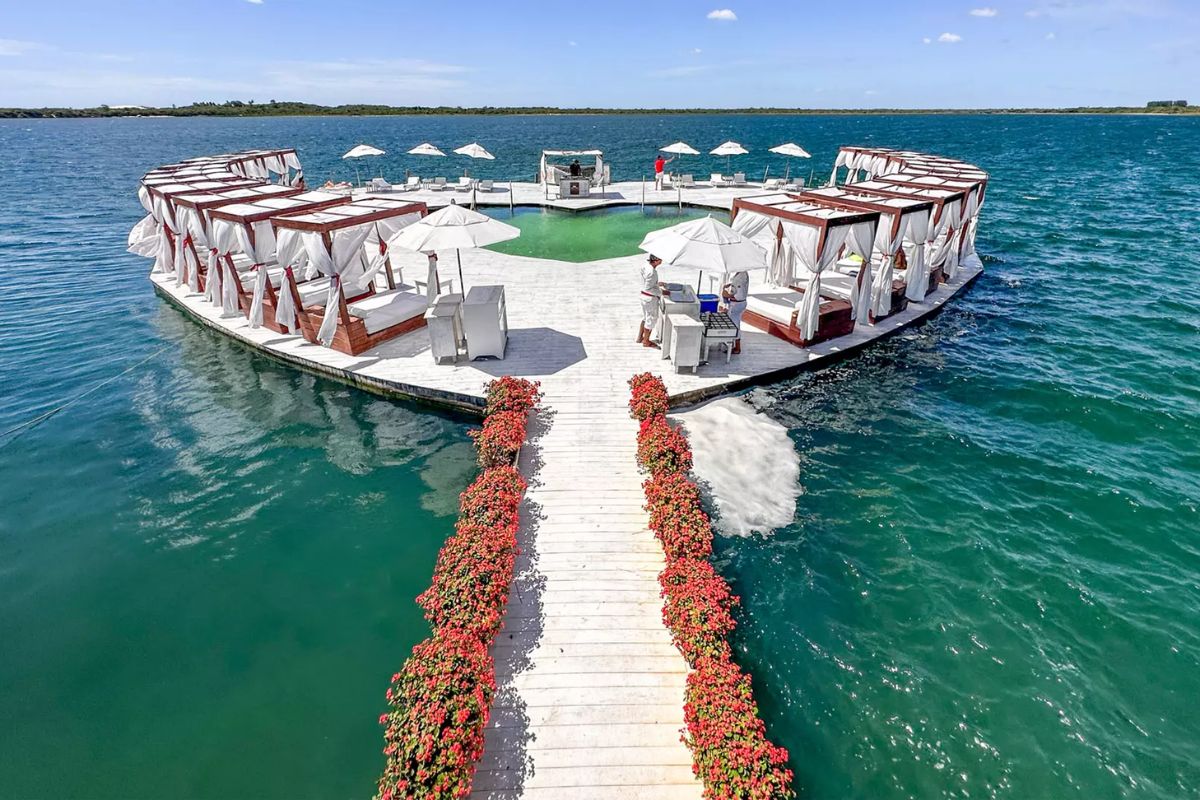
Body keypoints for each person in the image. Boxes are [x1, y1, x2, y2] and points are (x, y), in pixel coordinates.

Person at [638, 254, 666, 348]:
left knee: (645, 318)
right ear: (656, 261)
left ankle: (640, 337)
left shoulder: (645, 266)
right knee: (651, 320)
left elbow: (647, 282)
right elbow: (648, 288)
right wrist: (662, 292)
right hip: (650, 299)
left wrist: (656, 284)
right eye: (660, 259)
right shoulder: (652, 272)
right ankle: (646, 341)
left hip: (643, 297)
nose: (661, 260)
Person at [720, 269, 750, 355]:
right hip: (738, 303)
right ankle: (734, 343)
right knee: (735, 323)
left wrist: (726, 294)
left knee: (735, 324)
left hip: (737, 304)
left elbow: (738, 295)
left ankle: (737, 347)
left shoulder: (742, 276)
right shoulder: (741, 273)